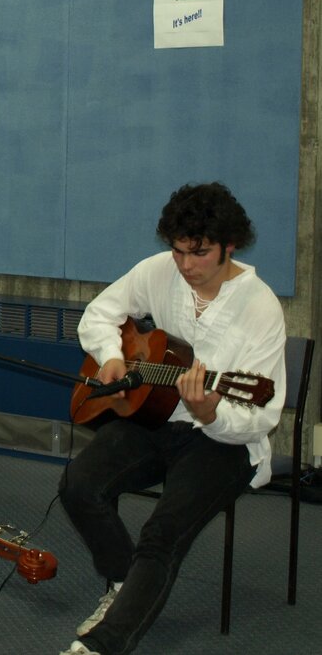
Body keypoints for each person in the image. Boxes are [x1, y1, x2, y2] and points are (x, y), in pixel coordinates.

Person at [57, 182, 286, 655]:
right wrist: (111, 356)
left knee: (162, 532)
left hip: (224, 441)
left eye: (199, 253)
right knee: (79, 483)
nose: (184, 265)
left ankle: (103, 645)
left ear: (230, 246)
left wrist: (211, 411)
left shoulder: (261, 306)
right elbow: (99, 315)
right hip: (155, 417)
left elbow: (261, 414)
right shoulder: (158, 272)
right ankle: (124, 585)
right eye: (178, 251)